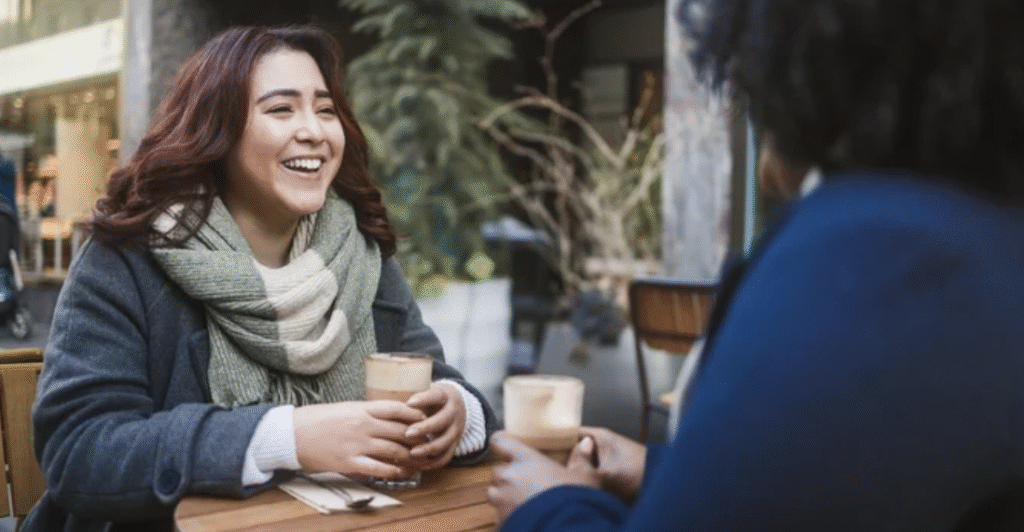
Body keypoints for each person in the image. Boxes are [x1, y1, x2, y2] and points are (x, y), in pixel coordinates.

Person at [488, 0, 1024, 530]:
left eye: (762, 113)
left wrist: (547, 506)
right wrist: (663, 471)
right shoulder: (986, 249)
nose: (767, 176)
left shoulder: (871, 260)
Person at [23, 25, 495, 531]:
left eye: (326, 109)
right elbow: (81, 450)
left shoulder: (360, 255)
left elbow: (445, 387)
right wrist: (288, 437)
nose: (313, 130)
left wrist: (458, 414)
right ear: (217, 131)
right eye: (281, 109)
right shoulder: (129, 257)